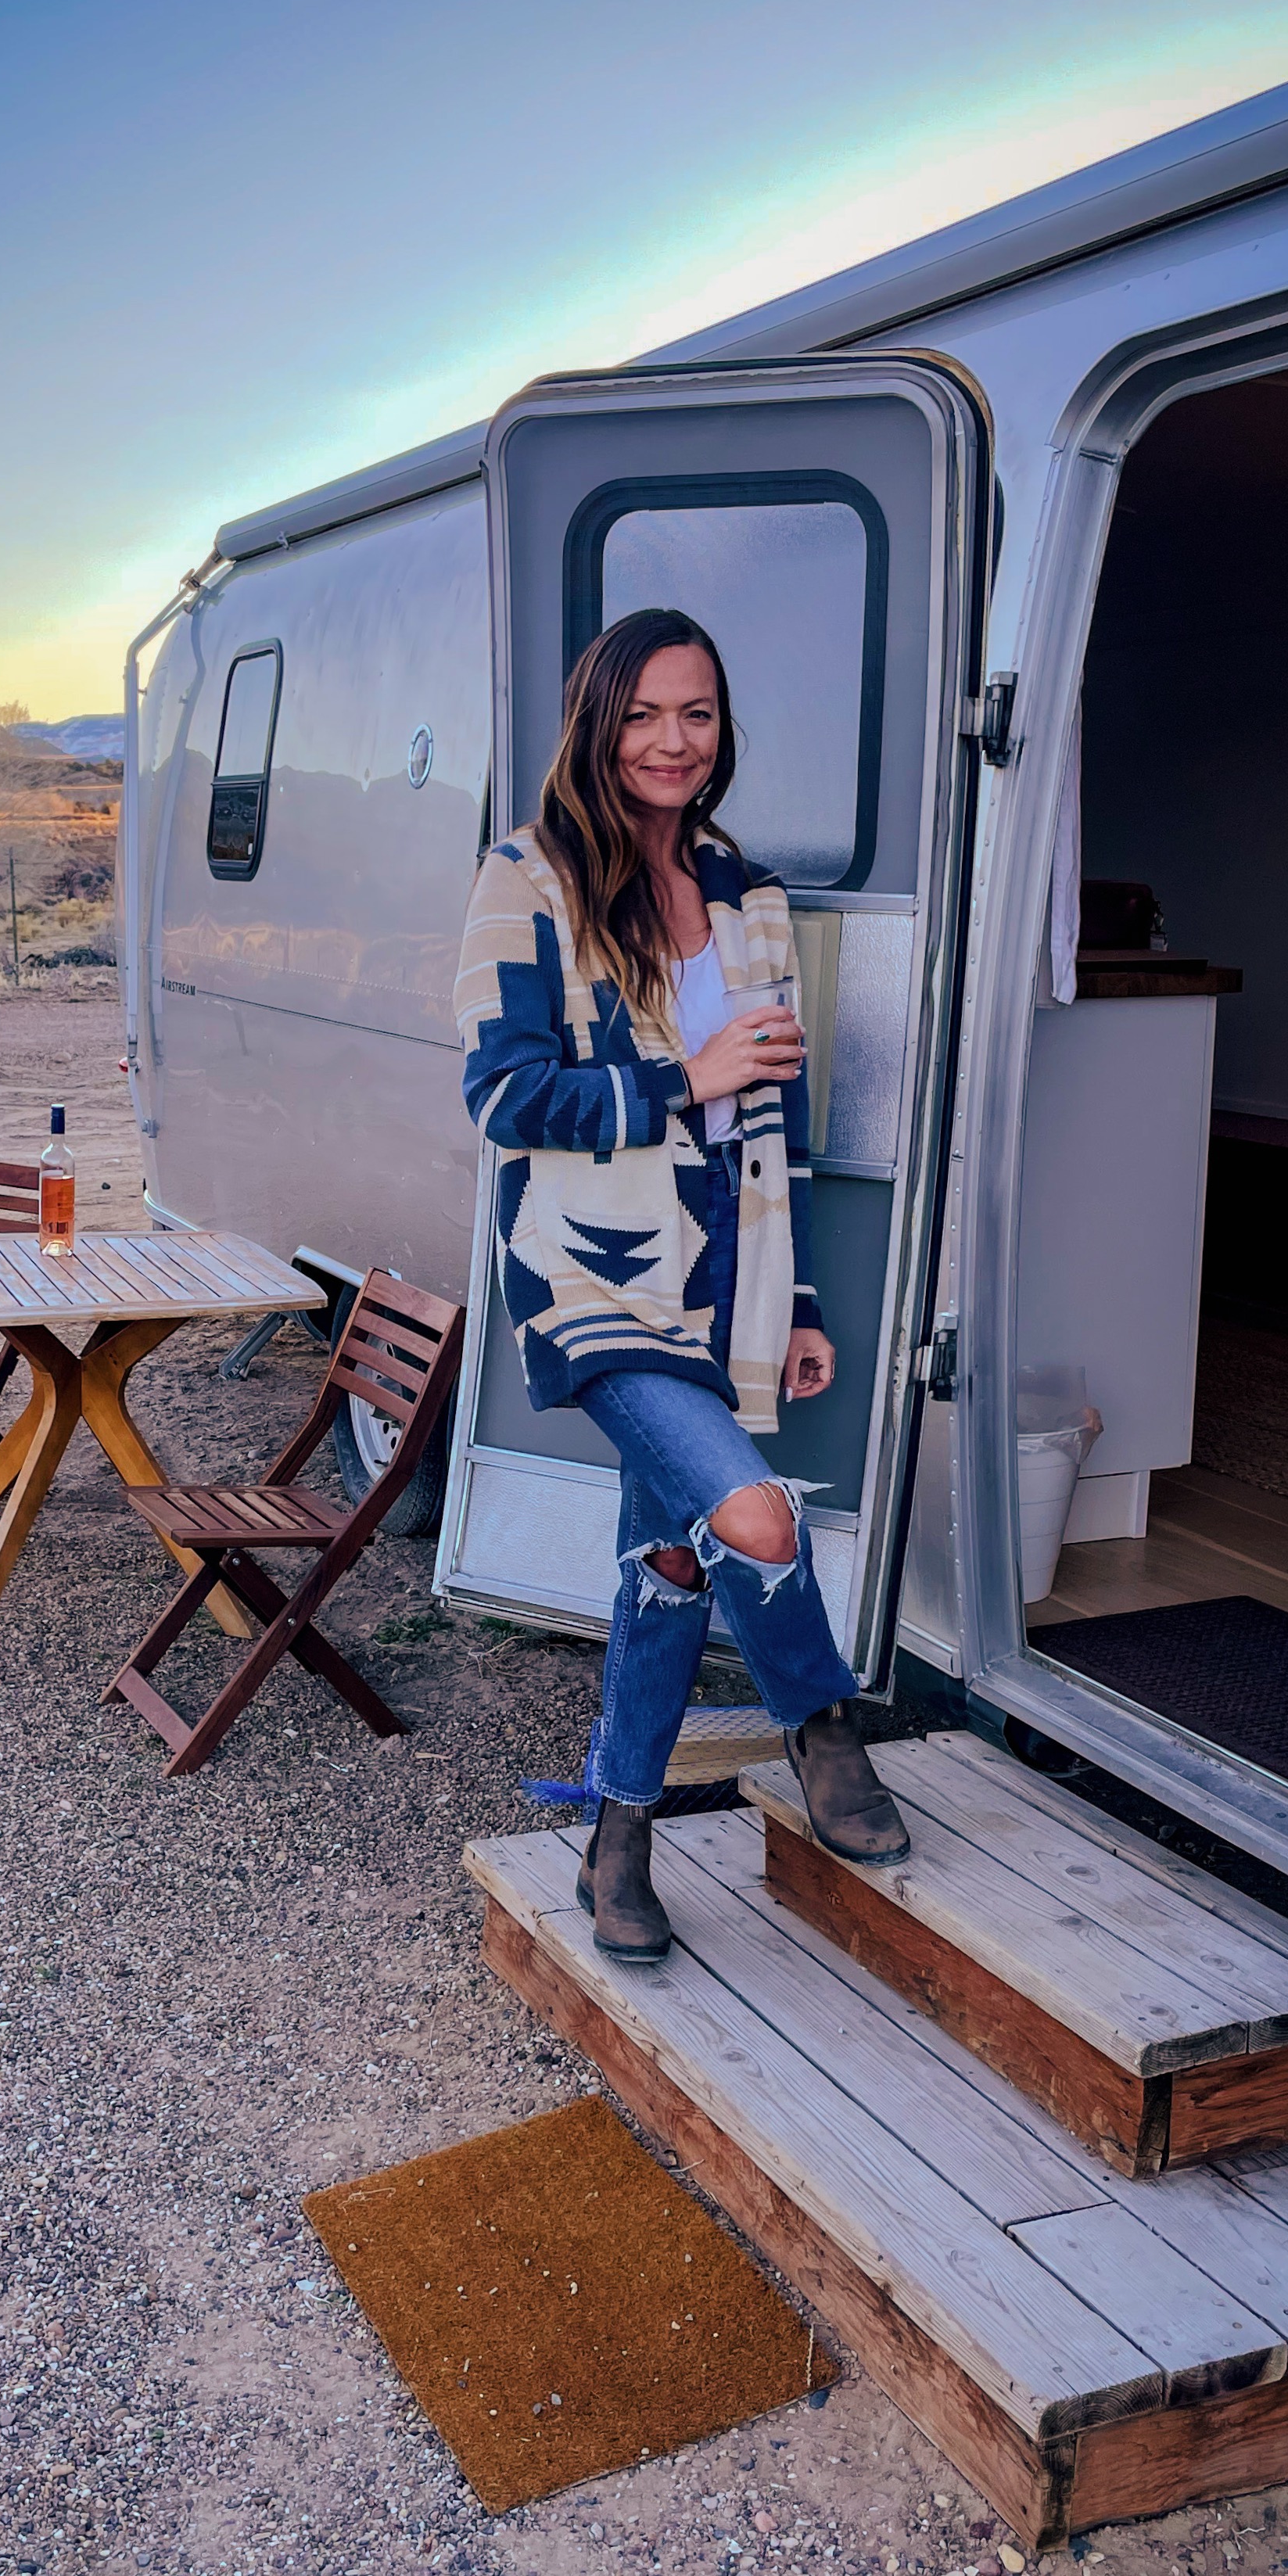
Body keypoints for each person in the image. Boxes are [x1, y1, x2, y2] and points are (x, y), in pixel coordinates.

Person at [454, 605, 909, 1967]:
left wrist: (806, 1300)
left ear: (723, 732)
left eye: (696, 714)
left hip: (732, 1276)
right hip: (595, 1272)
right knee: (757, 1523)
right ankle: (824, 1726)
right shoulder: (528, 878)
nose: (671, 740)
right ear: (600, 722)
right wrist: (679, 1081)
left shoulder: (751, 898)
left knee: (665, 1562)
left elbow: (784, 1120)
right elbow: (504, 1093)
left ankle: (621, 1838)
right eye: (644, 713)